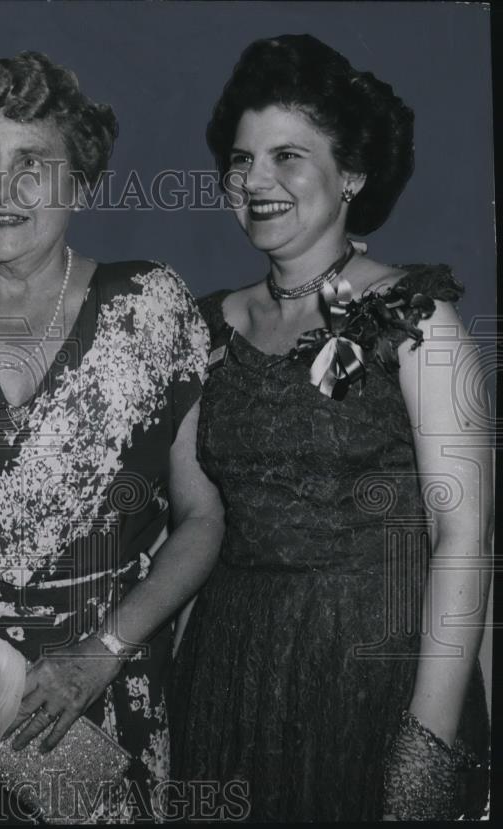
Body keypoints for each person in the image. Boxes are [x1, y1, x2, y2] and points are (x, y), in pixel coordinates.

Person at [0, 51, 223, 823]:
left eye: (32, 164)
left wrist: (100, 655)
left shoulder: (149, 306)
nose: (0, 191)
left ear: (82, 181)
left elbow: (203, 518)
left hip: (98, 697)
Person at [170, 34, 492, 822]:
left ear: (351, 173)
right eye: (242, 160)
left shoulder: (421, 321)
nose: (257, 181)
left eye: (289, 156)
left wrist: (428, 744)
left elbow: (466, 534)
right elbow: (193, 520)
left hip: (375, 680)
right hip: (230, 675)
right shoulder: (202, 326)